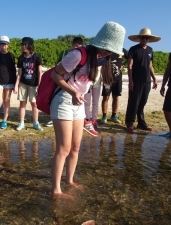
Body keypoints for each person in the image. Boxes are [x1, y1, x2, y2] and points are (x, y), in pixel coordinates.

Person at [50, 21, 125, 197]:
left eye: (111, 50)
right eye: (106, 48)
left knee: (76, 147)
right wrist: (73, 92)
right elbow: (55, 75)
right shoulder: (77, 54)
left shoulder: (102, 59)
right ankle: (56, 190)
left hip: (79, 103)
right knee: (64, 148)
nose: (108, 52)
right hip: (63, 100)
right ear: (99, 43)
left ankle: (69, 180)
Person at [125, 28, 160, 133]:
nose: (144, 39)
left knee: (142, 102)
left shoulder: (150, 50)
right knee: (133, 102)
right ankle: (129, 123)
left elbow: (150, 65)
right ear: (139, 38)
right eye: (143, 37)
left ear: (149, 39)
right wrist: (130, 80)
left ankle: (141, 123)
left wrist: (154, 78)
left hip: (147, 81)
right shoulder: (133, 49)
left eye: (146, 37)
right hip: (136, 80)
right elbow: (130, 65)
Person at [46, 37, 84, 127]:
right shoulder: (64, 52)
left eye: (79, 47)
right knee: (54, 97)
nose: (77, 48)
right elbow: (57, 66)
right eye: (76, 46)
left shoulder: (82, 55)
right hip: (60, 80)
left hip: (72, 84)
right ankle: (53, 118)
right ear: (72, 45)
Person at [13, 37, 43, 131]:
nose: (23, 46)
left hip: (34, 84)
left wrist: (39, 85)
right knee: (22, 103)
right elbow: (20, 73)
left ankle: (35, 123)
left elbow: (39, 72)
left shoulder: (37, 57)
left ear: (30, 45)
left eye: (25, 45)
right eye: (22, 45)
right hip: (23, 83)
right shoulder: (21, 58)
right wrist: (16, 86)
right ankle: (21, 122)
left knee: (34, 104)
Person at [0, 36, 16, 129]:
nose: (3, 46)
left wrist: (14, 84)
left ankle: (4, 121)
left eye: (5, 44)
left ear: (8, 45)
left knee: (6, 101)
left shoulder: (11, 56)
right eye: (2, 44)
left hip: (9, 82)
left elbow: (13, 71)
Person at [101, 48, 128, 124]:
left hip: (118, 78)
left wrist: (123, 65)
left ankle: (114, 115)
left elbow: (130, 58)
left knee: (116, 97)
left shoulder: (122, 50)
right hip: (107, 78)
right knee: (106, 97)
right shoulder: (107, 48)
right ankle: (104, 115)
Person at [83, 65, 102, 137]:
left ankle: (94, 120)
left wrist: (107, 85)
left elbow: (104, 72)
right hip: (88, 83)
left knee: (95, 102)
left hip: (97, 83)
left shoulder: (102, 60)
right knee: (87, 102)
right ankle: (87, 120)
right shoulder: (89, 59)